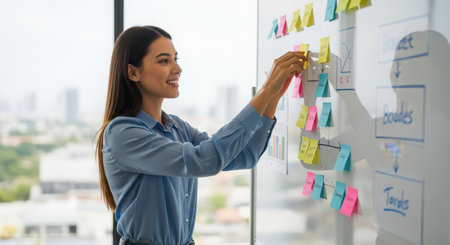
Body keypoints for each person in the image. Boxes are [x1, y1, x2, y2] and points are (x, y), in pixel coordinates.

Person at [95, 25, 305, 245]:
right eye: (164, 61)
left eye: (176, 59)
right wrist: (266, 90)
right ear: (133, 72)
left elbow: (246, 156)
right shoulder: (122, 133)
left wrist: (273, 97)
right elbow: (205, 160)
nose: (177, 69)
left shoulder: (177, 127)